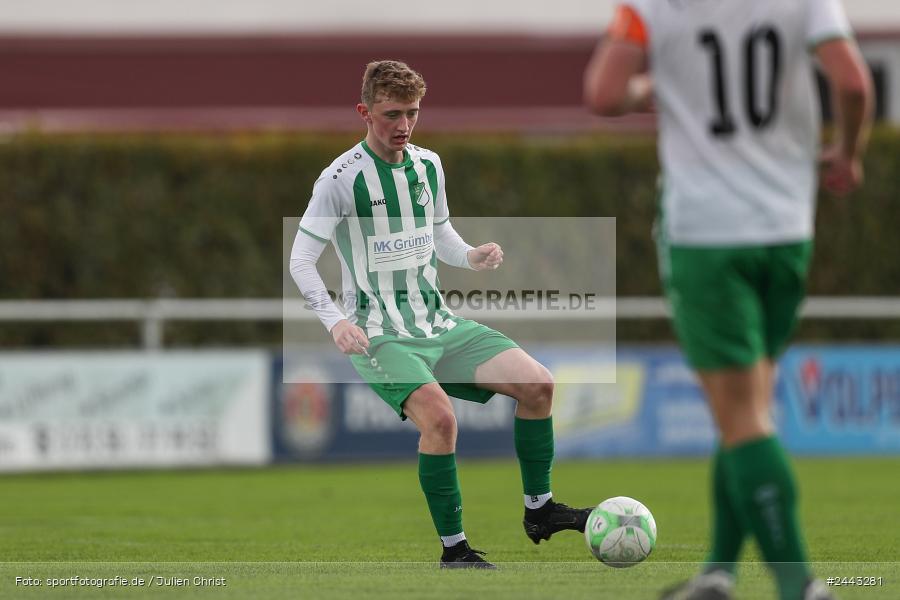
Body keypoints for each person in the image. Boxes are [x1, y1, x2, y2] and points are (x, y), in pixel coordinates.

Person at [584, 1, 872, 599]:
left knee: (740, 416)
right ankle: (718, 575)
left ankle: (801, 588)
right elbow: (852, 82)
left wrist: (650, 84)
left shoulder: (651, 6)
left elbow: (604, 93)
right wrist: (847, 152)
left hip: (706, 236)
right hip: (788, 230)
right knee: (745, 408)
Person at [290, 60, 590, 569]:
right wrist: (336, 322)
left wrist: (470, 255)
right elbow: (301, 260)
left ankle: (540, 511)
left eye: (412, 113)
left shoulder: (428, 165)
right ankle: (455, 549)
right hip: (380, 334)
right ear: (364, 112)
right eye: (391, 114)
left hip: (439, 324)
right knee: (442, 421)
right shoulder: (339, 180)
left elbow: (440, 236)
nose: (403, 125)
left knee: (539, 385)